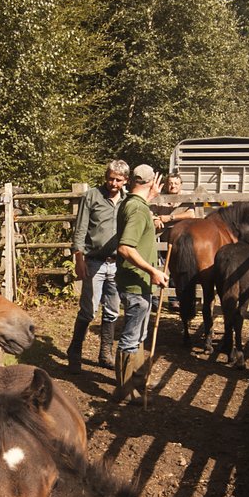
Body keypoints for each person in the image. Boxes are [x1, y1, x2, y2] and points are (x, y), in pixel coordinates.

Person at [66, 160, 129, 372]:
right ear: (106, 177)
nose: (113, 183)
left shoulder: (128, 201)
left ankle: (105, 353)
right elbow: (81, 229)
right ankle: (75, 352)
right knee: (89, 310)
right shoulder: (92, 196)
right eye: (110, 178)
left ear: (125, 180)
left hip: (117, 263)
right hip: (95, 261)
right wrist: (79, 258)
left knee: (112, 310)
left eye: (118, 180)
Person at [114, 164, 170, 401]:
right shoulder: (137, 209)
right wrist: (152, 271)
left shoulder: (133, 203)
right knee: (131, 337)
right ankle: (126, 389)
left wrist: (151, 195)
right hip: (136, 281)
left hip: (139, 281)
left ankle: (138, 381)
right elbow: (125, 247)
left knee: (139, 334)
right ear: (151, 181)